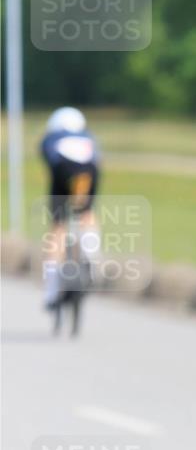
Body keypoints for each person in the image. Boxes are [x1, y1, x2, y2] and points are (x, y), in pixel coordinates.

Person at [40, 107, 101, 308]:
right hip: (88, 172)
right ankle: (91, 254)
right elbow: (97, 160)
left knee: (58, 227)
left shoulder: (51, 138)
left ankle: (50, 291)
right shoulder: (89, 136)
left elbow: (51, 164)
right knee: (86, 213)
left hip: (62, 172)